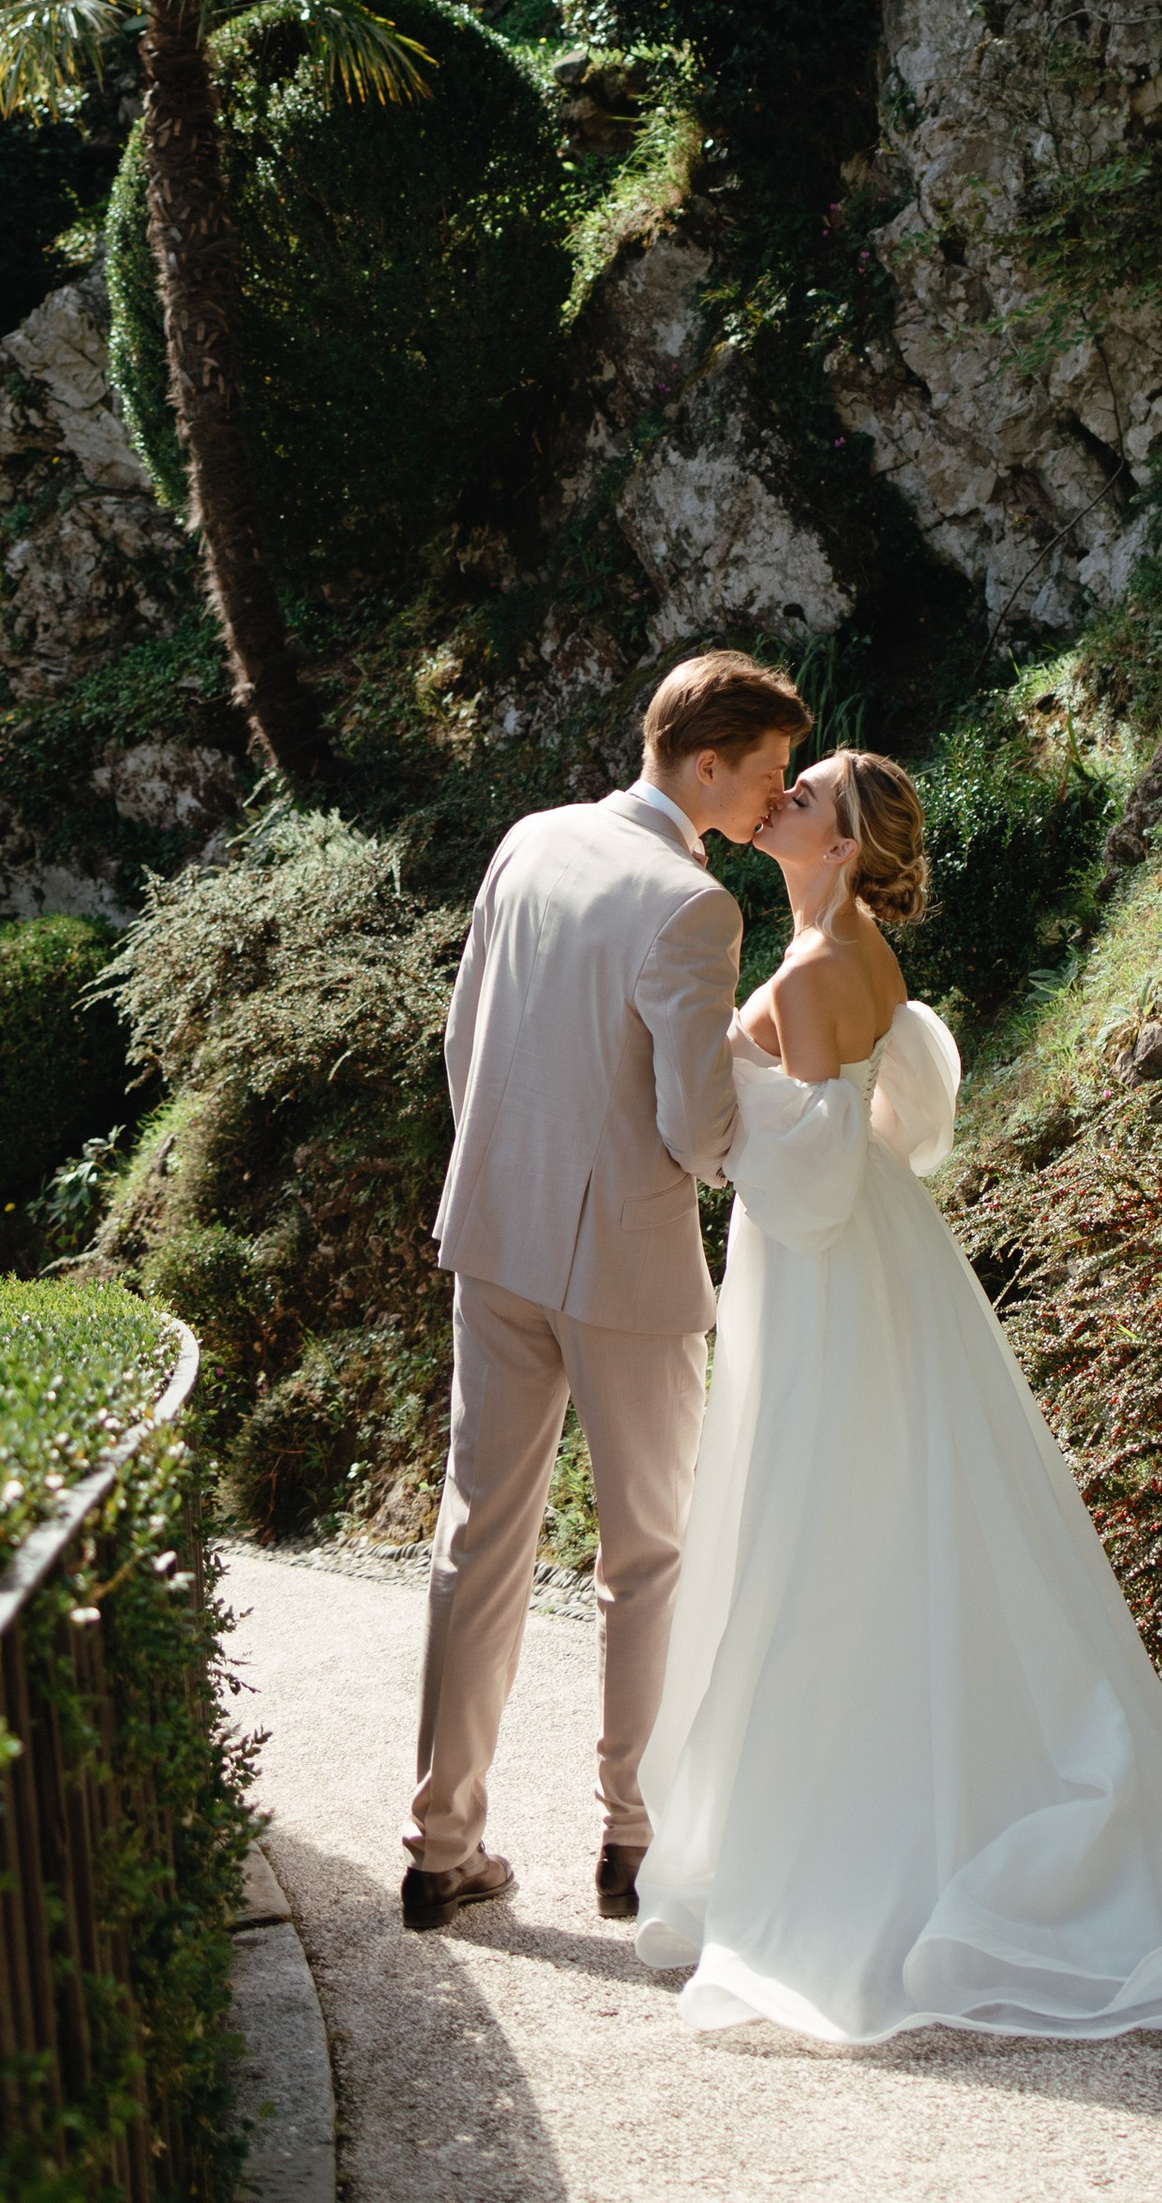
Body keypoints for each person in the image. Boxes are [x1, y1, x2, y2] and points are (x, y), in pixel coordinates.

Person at [632, 745, 1162, 2040]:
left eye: (808, 798)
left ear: (842, 846)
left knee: (826, 1538)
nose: (782, 797)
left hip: (827, 1275)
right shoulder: (857, 953)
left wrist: (719, 1118)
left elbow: (807, 1182)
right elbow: (882, 1112)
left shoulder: (809, 969)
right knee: (908, 1529)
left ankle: (862, 1849)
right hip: (887, 1267)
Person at [401, 649, 809, 1931]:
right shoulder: (691, 908)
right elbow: (694, 1132)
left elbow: (467, 1034)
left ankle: (437, 1845)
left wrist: (507, 1174)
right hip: (620, 1265)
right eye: (767, 773)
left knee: (479, 1535)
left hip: (494, 1230)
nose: (773, 799)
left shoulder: (529, 840)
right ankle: (633, 1844)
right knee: (646, 1556)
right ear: (705, 764)